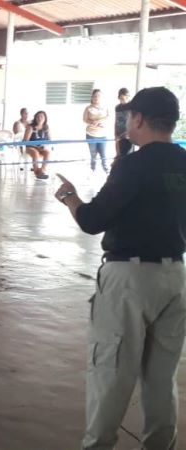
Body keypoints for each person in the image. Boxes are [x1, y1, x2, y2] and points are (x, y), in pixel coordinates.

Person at [54, 87, 186, 450]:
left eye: (128, 117)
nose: (125, 123)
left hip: (129, 280)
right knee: (161, 378)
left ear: (139, 118)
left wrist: (69, 197)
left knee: (110, 372)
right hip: (175, 276)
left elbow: (92, 220)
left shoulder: (133, 165)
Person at [83, 88, 110, 174]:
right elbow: (85, 119)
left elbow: (108, 117)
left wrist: (100, 121)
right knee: (93, 154)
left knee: (103, 154)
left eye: (98, 96)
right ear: (92, 97)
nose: (96, 98)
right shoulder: (88, 108)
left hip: (102, 134)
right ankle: (93, 169)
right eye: (94, 96)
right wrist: (92, 122)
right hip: (91, 134)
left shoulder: (105, 107)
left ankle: (106, 170)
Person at [23, 111, 52, 180]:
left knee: (47, 152)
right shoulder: (30, 127)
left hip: (41, 148)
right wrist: (36, 147)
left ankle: (42, 171)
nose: (39, 118)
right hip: (30, 147)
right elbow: (25, 141)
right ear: (35, 118)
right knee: (35, 152)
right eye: (38, 116)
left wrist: (44, 146)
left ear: (45, 118)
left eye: (41, 116)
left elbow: (49, 140)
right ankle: (36, 172)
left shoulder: (46, 127)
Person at [114, 87, 132, 162]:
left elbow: (133, 121)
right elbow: (116, 121)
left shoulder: (132, 106)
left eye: (124, 98)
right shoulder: (117, 107)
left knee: (127, 155)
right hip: (119, 134)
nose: (123, 100)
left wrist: (128, 133)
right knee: (119, 154)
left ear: (128, 97)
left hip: (129, 135)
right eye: (121, 98)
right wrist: (115, 133)